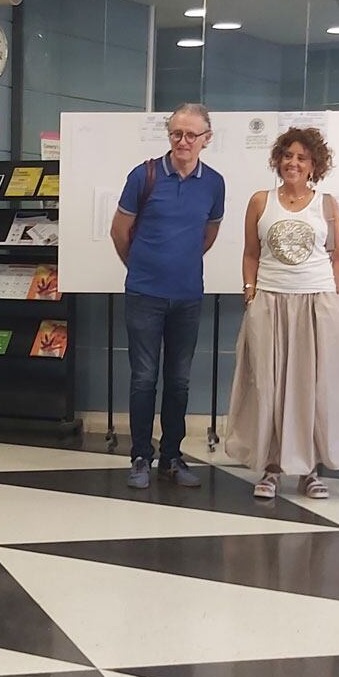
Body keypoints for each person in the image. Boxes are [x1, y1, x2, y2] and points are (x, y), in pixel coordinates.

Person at [224, 127, 339, 499]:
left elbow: (338, 255)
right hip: (270, 301)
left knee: (312, 389)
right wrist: (250, 293)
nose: (293, 163)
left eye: (301, 157)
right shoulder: (259, 201)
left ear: (314, 164)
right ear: (278, 160)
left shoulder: (327, 204)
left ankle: (309, 470)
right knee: (268, 386)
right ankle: (270, 468)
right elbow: (251, 253)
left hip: (317, 304)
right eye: (287, 156)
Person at [109, 103, 226, 490]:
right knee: (144, 379)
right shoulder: (144, 175)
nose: (183, 141)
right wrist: (143, 267)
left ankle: (172, 457)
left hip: (188, 296)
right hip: (144, 294)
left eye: (192, 135)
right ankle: (141, 455)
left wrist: (180, 264)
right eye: (177, 133)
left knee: (178, 381)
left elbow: (208, 236)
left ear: (206, 139)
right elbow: (119, 233)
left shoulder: (214, 183)